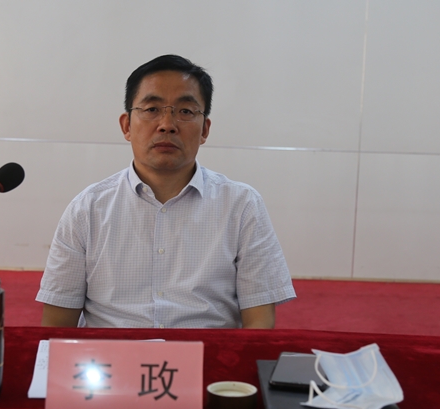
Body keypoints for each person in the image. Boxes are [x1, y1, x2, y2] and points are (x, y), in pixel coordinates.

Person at [36, 54, 295, 328]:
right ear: (126, 125)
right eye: (152, 109)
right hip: (112, 354)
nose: (167, 125)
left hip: (208, 355)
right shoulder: (87, 209)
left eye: (186, 112)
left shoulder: (242, 206)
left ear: (205, 130)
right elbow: (56, 326)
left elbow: (259, 323)